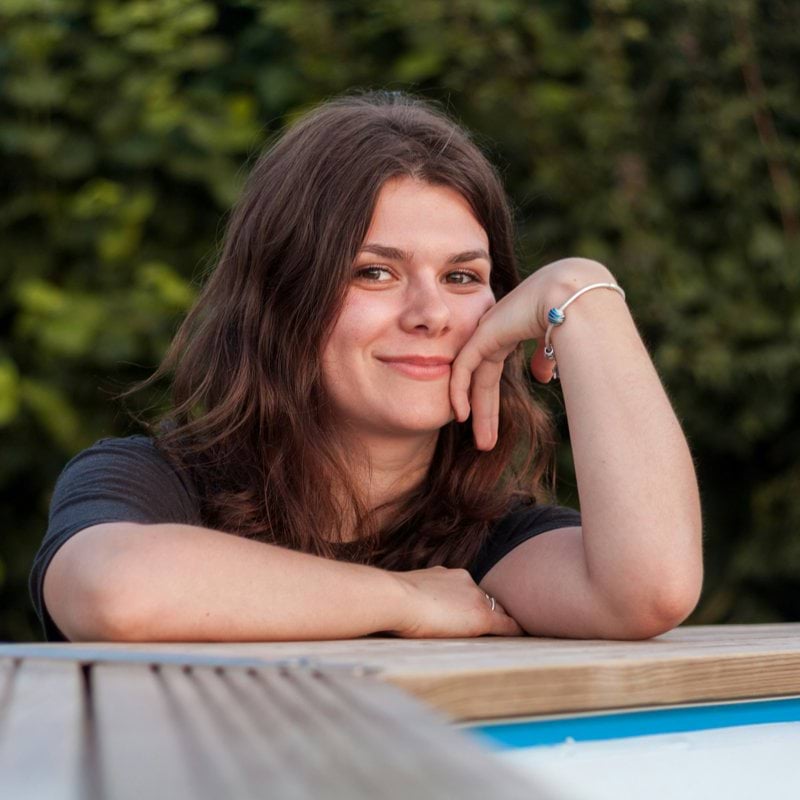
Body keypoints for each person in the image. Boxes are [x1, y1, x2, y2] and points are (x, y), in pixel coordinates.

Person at [29, 90, 703, 644]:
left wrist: (581, 296)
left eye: (464, 277)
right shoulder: (152, 481)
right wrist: (403, 599)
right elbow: (116, 593)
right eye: (375, 272)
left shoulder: (490, 546)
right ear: (284, 297)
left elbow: (651, 591)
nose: (430, 313)